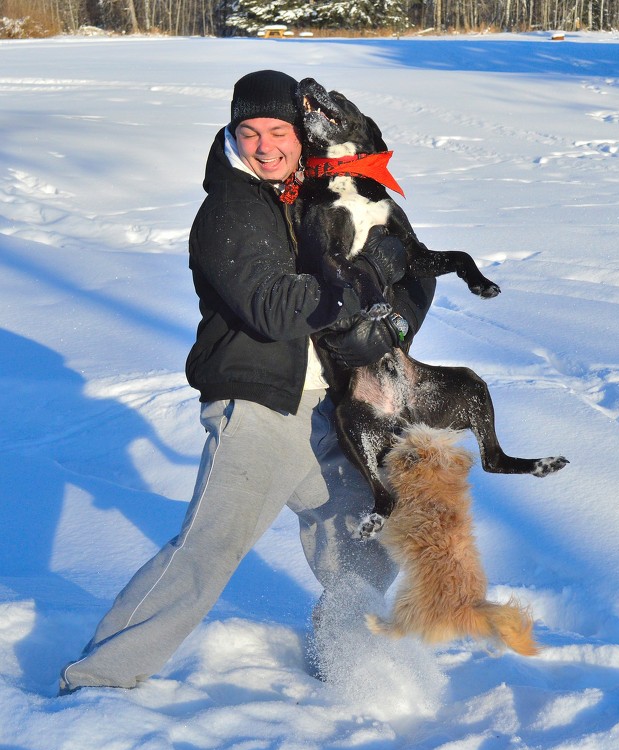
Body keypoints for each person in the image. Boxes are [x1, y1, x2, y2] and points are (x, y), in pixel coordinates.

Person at [59, 70, 436, 693]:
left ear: (301, 133)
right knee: (209, 549)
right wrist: (369, 275)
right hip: (258, 405)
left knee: (364, 537)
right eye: (250, 131)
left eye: (278, 130)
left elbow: (414, 269)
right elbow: (275, 307)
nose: (264, 145)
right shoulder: (231, 208)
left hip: (326, 406)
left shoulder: (313, 193)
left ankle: (342, 655)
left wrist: (394, 322)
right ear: (233, 133)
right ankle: (98, 678)